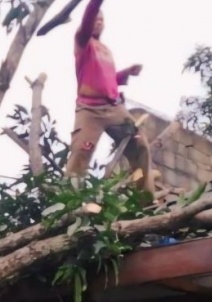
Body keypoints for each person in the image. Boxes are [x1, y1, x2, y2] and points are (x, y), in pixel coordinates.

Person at [64, 0, 155, 197]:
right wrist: (95, 4)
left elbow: (108, 81)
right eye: (95, 18)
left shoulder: (106, 50)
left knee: (140, 145)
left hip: (115, 109)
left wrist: (126, 73)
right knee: (82, 151)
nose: (98, 21)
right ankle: (68, 202)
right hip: (89, 112)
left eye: (101, 20)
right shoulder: (82, 42)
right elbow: (89, 13)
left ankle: (145, 198)